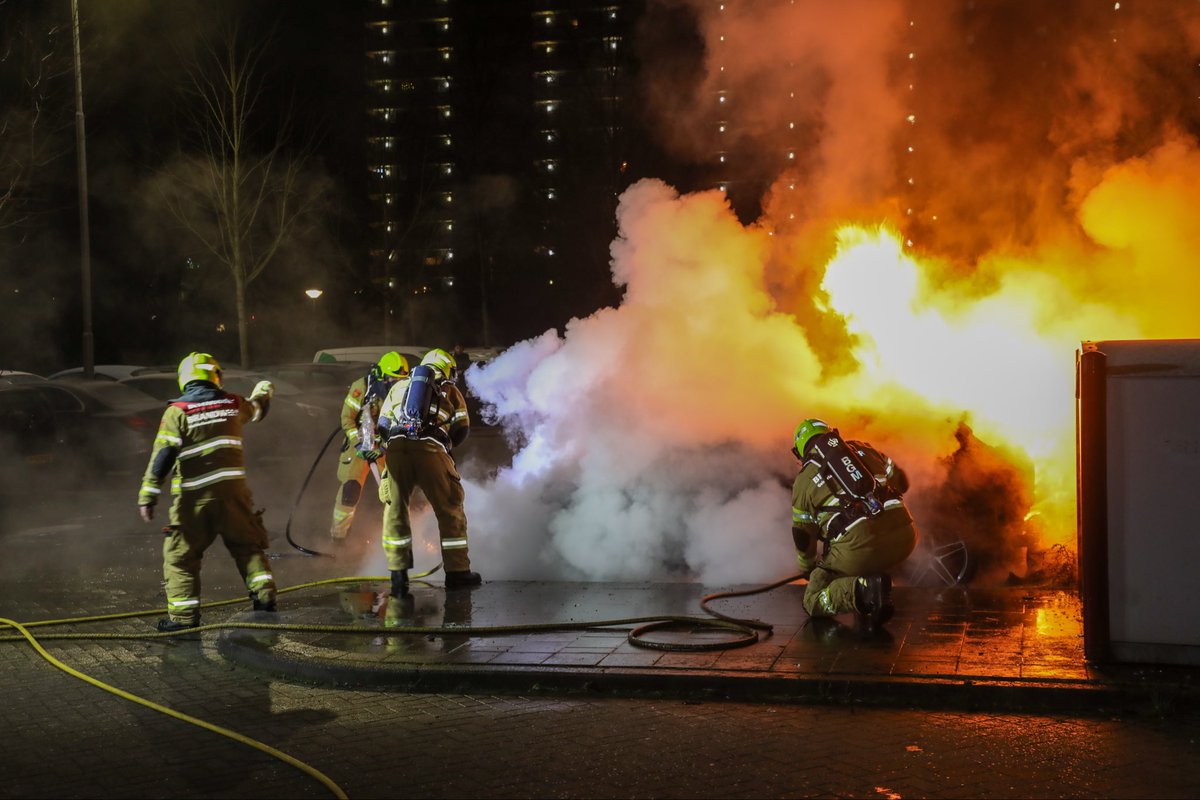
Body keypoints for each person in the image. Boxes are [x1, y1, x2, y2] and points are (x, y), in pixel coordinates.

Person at [137, 352, 277, 632]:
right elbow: (258, 410)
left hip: (194, 500)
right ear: (216, 376)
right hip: (234, 497)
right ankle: (265, 603)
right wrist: (264, 390)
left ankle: (183, 621)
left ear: (184, 379)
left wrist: (148, 497)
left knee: (181, 558)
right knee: (247, 548)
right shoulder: (233, 404)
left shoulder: (177, 412)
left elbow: (163, 456)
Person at [789, 418, 918, 630]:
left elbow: (803, 535)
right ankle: (872, 589)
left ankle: (865, 590)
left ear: (799, 452)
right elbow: (902, 482)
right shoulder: (862, 447)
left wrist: (808, 569)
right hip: (906, 536)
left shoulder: (803, 482)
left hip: (863, 549)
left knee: (812, 598)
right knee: (856, 551)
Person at [376, 347, 481, 597]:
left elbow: (382, 426)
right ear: (446, 367)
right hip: (431, 450)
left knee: (395, 510)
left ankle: (398, 575)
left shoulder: (398, 388)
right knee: (450, 509)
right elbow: (461, 429)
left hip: (397, 449)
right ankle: (457, 573)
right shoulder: (450, 390)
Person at [330, 351, 409, 546]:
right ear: (382, 376)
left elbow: (399, 424)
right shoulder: (362, 388)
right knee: (350, 492)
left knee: (394, 490)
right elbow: (347, 420)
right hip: (358, 446)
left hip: (383, 446)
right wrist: (359, 443)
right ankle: (338, 538)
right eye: (393, 379)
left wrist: (382, 447)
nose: (397, 384)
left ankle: (397, 536)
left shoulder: (402, 392)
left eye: (401, 380)